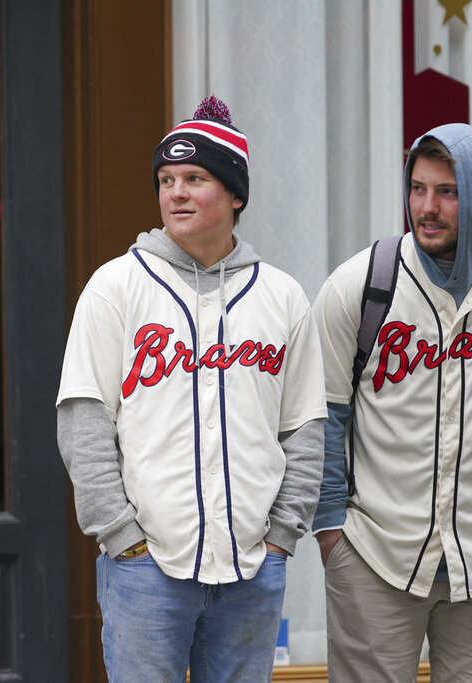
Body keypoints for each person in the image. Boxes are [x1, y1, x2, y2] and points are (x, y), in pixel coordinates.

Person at [55, 95, 327, 682]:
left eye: (195, 179)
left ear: (234, 195)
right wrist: (122, 538)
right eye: (166, 179)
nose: (175, 192)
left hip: (252, 569)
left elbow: (304, 427)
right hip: (146, 569)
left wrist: (281, 538)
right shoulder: (116, 286)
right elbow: (84, 422)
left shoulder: (281, 296)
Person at [312, 123, 472, 682]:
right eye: (418, 188)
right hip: (375, 556)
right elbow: (323, 417)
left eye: (447, 192)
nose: (427, 206)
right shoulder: (362, 284)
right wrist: (332, 532)